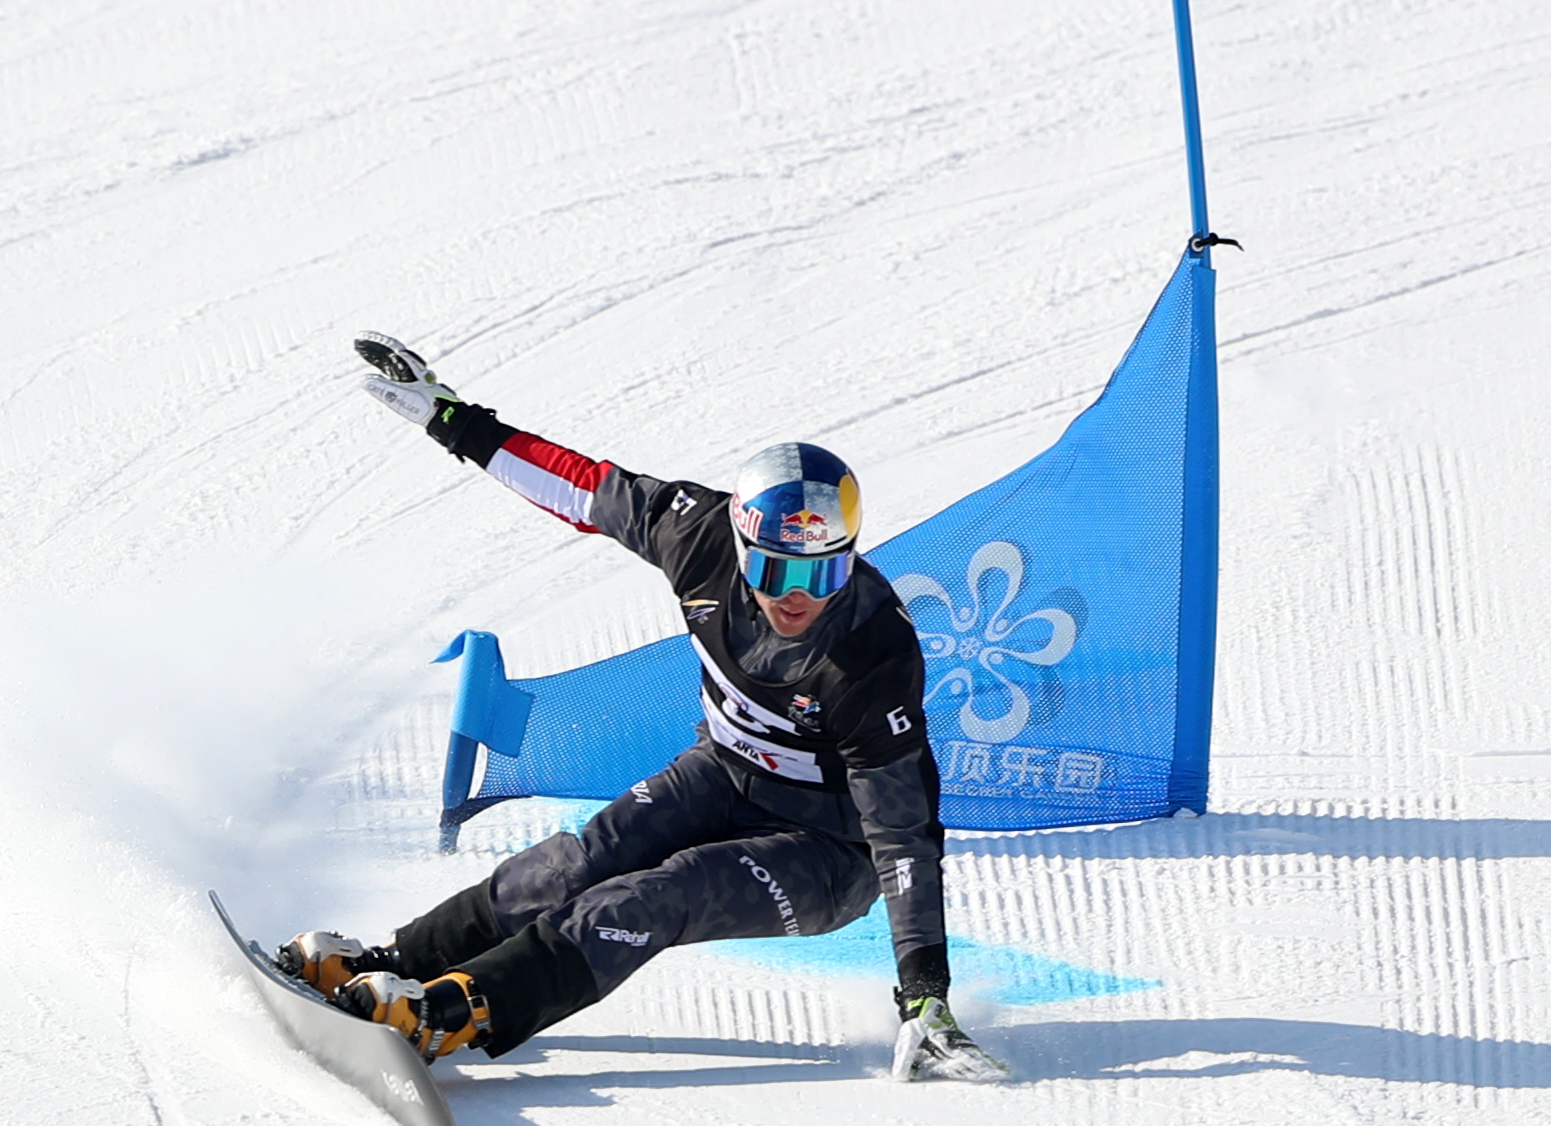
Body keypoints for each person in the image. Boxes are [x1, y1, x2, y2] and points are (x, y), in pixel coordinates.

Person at [277, 333, 1005, 1083]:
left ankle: (459, 1012)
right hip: (723, 773)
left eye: (822, 574)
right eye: (772, 567)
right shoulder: (696, 534)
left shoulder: (872, 651)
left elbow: (905, 835)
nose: (795, 595)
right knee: (574, 863)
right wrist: (455, 421)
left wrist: (924, 993)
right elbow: (583, 488)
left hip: (827, 850)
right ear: (739, 541)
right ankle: (392, 963)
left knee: (659, 893)